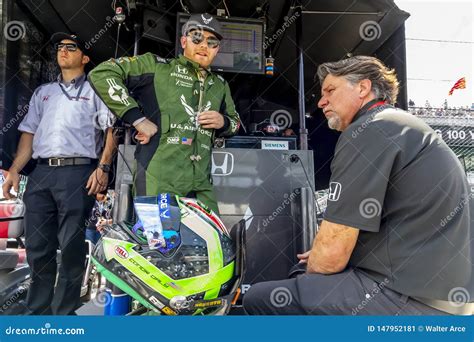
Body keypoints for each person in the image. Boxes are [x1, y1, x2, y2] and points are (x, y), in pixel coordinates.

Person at [243, 56, 473, 315]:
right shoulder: (399, 124)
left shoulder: (368, 129)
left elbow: (330, 257)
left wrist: (322, 257)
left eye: (330, 90)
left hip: (409, 299)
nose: (321, 102)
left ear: (362, 88)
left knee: (262, 298)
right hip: (445, 298)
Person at [2, 33, 117, 315]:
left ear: (85, 57)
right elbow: (28, 135)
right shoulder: (44, 92)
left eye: (71, 47)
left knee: (70, 245)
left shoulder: (96, 89)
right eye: (60, 48)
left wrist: (103, 168)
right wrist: (15, 170)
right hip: (41, 173)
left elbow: (111, 131)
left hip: (78, 171)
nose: (63, 51)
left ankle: (64, 312)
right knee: (38, 245)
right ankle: (37, 309)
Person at [88, 13, 240, 213]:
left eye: (211, 42)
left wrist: (223, 122)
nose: (204, 45)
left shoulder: (220, 84)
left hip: (201, 183)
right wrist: (137, 119)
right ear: (183, 41)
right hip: (158, 178)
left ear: (217, 49)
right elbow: (102, 73)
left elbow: (235, 122)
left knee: (209, 242)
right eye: (197, 38)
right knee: (160, 243)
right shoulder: (156, 66)